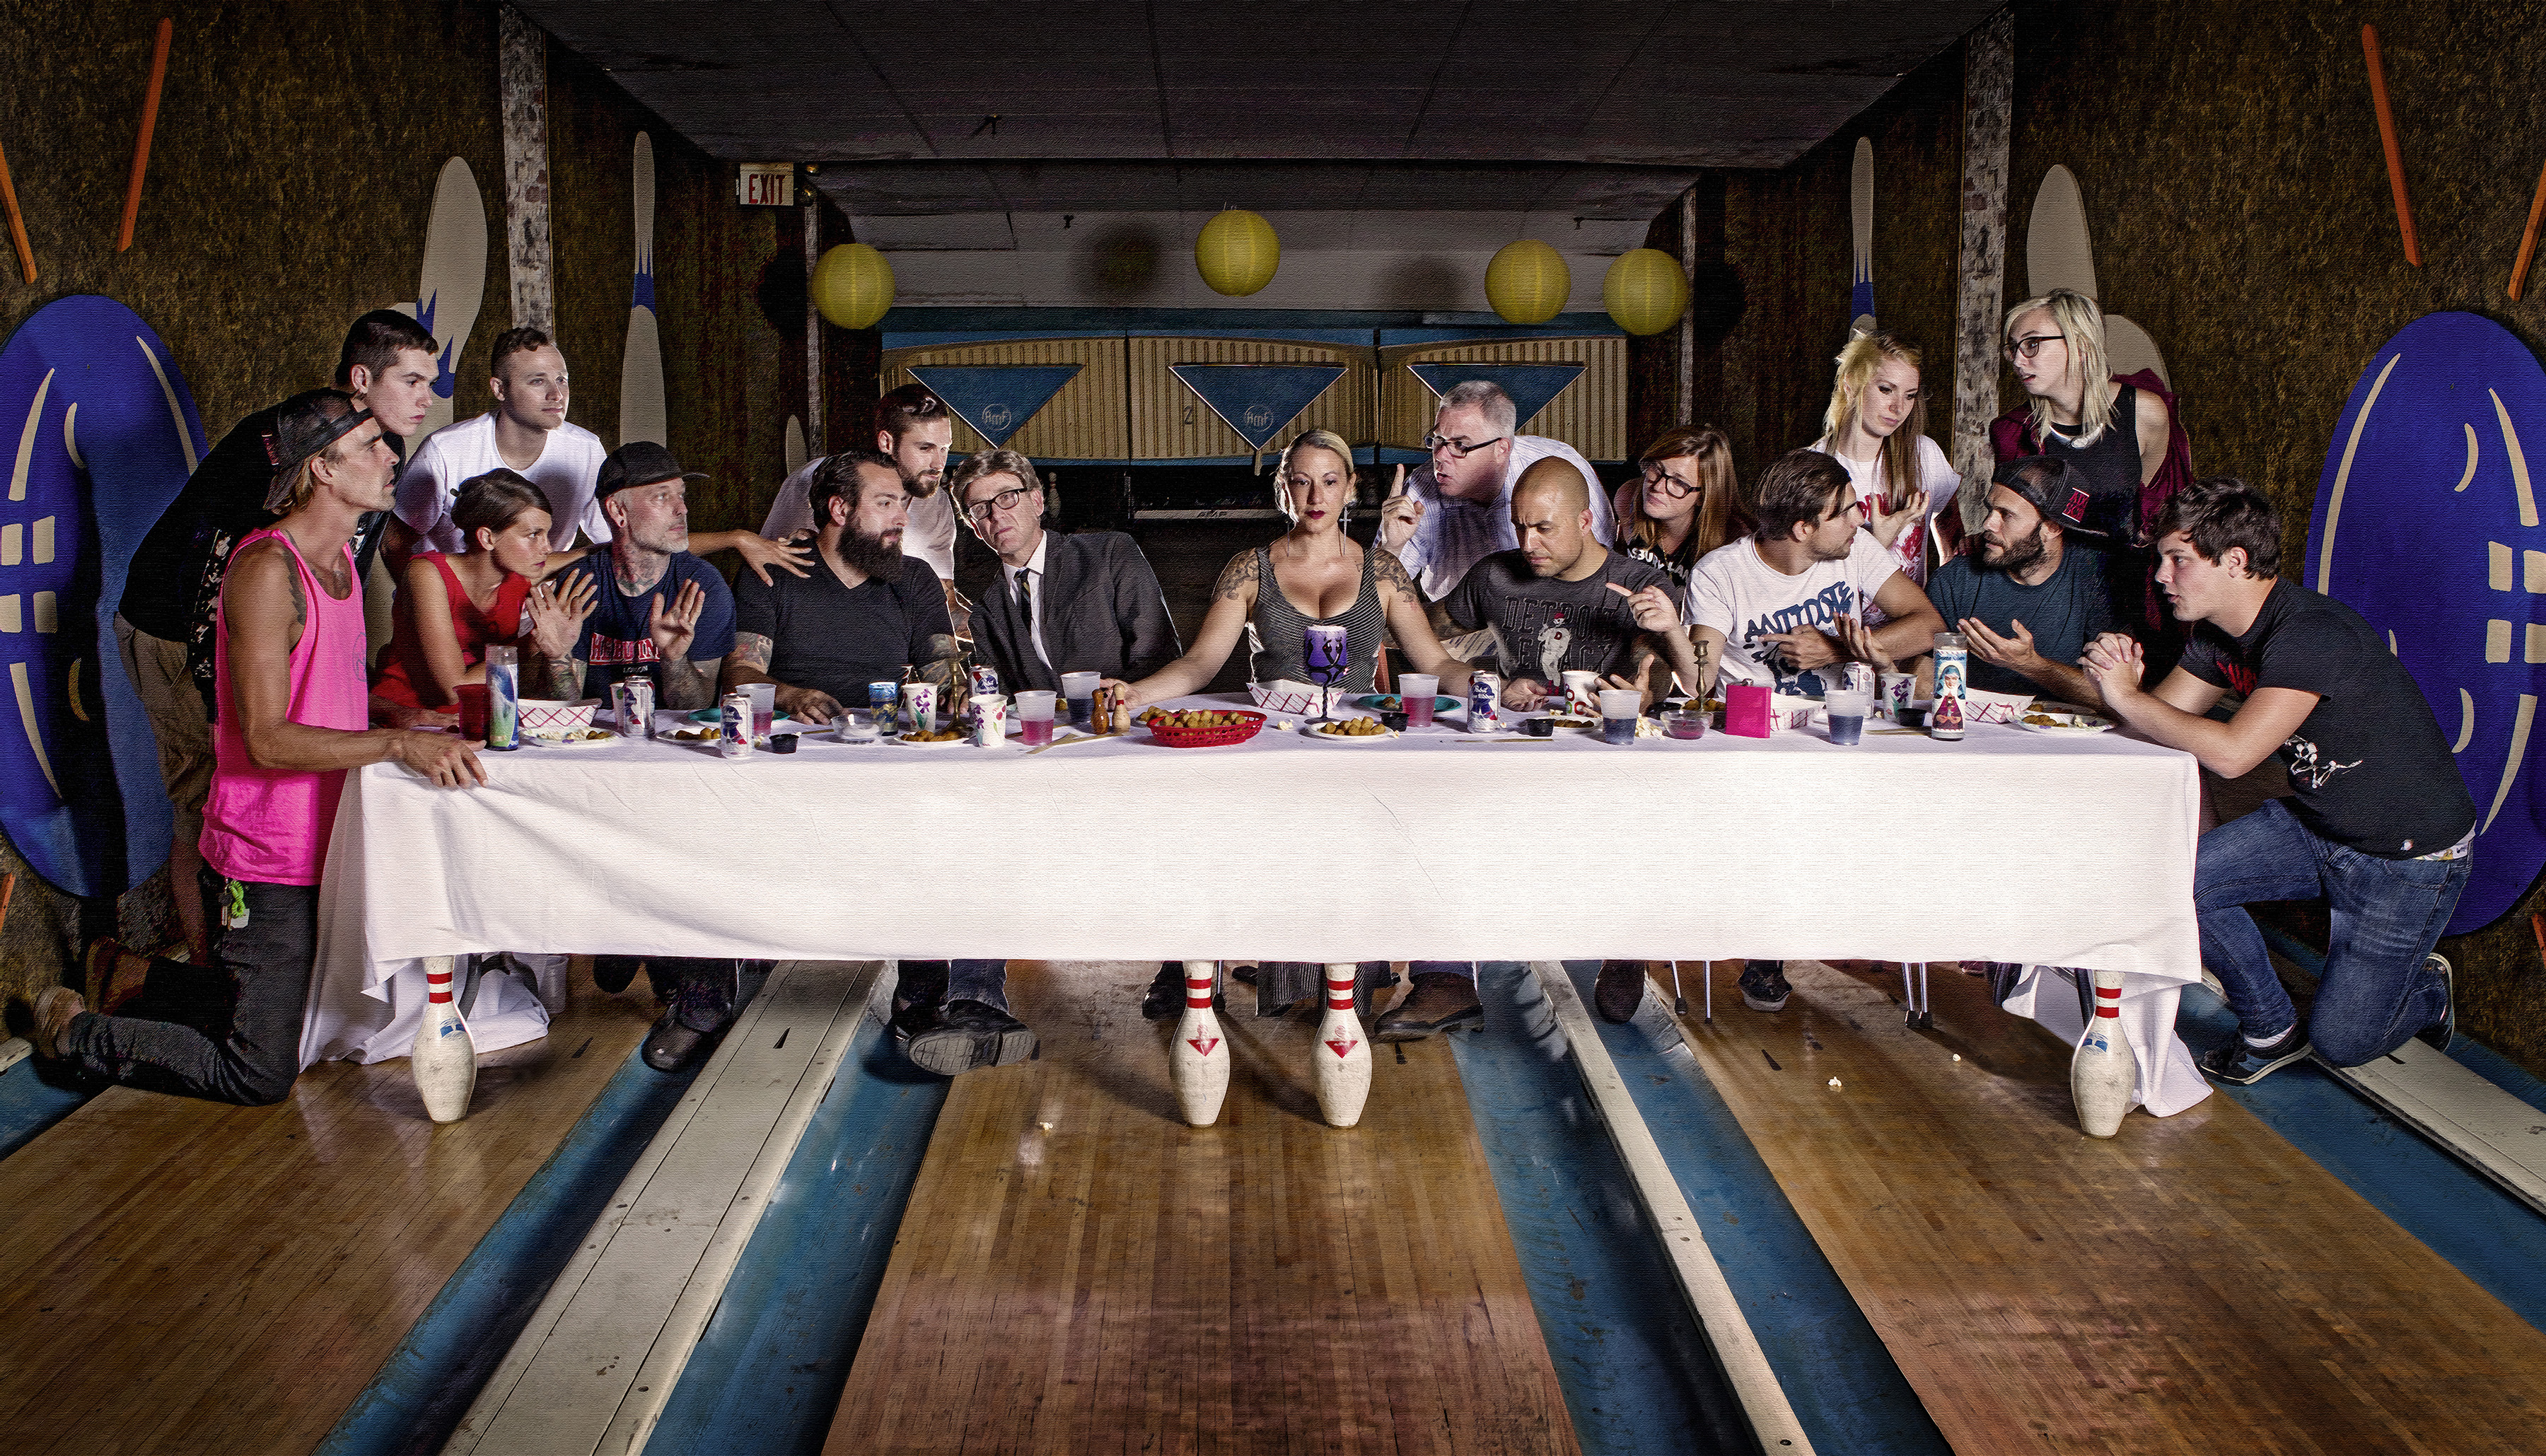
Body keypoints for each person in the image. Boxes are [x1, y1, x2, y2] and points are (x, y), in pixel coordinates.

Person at [26, 391, 484, 1103]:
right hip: (265, 853)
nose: (392, 455)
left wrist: (415, 719)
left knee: (316, 1023)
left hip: (328, 840)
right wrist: (395, 743)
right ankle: (75, 1035)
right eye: (370, 446)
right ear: (321, 469)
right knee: (260, 1071)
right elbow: (267, 739)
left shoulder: (339, 567)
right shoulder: (267, 571)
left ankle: (135, 977)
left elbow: (328, 695)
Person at [2082, 479, 2471, 1084]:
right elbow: (2159, 725)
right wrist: (2119, 679)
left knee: (2342, 1042)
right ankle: (2270, 1028)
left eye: (2177, 559)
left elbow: (2233, 755)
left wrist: (2129, 698)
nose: (2160, 575)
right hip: (2318, 824)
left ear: (2235, 561)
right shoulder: (2217, 634)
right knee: (2175, 884)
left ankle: (2426, 993)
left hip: (2408, 858)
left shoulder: (2310, 632)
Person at [1122, 429, 1480, 1032]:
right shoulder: (1250, 568)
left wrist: (1511, 693)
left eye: (1330, 480)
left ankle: (1382, 971)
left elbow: (1438, 663)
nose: (1316, 494)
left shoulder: (1383, 569)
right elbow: (1200, 664)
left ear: (1350, 490)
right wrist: (1134, 694)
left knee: (1426, 808)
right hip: (1278, 745)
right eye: (1301, 480)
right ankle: (1223, 966)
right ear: (1283, 490)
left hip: (1359, 743)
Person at [113, 310, 438, 965]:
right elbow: (217, 578)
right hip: (176, 629)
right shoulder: (286, 447)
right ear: (360, 379)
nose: (426, 396)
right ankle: (210, 979)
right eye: (411, 380)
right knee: (208, 793)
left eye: (430, 380)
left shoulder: (376, 455)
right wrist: (228, 707)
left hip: (236, 632)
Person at [1399, 455, 1704, 1031]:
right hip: (1514, 757)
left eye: (1544, 527)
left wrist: (1665, 647)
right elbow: (1417, 623)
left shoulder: (1636, 583)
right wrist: (1392, 563)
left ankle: (1626, 939)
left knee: (1647, 804)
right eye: (1519, 525)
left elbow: (1685, 680)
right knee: (1435, 801)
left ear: (1587, 519)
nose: (1528, 541)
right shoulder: (1496, 575)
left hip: (1604, 762)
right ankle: (1445, 981)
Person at [1683, 449, 1947, 1015]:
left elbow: (1928, 624)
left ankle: (1895, 936)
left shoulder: (1856, 551)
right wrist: (1663, 638)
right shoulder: (1722, 572)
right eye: (1847, 511)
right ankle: (1765, 952)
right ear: (1804, 528)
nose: (1862, 520)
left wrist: (1833, 647)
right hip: (1758, 744)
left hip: (1844, 731)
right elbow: (1700, 677)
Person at [542, 442, 751, 1071]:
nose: (682, 510)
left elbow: (696, 708)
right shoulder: (577, 583)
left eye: (682, 495)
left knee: (697, 832)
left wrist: (674, 659)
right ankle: (623, 933)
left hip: (674, 769)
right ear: (619, 512)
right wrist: (554, 655)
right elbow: (564, 713)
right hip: (599, 770)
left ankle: (698, 996)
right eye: (663, 497)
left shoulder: (702, 583)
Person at [390, 327, 798, 581]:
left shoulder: (584, 449)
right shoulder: (446, 450)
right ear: (499, 389)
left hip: (538, 611)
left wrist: (737, 538)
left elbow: (634, 541)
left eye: (562, 380)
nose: (557, 393)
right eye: (538, 381)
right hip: (454, 608)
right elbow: (395, 544)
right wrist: (428, 606)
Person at [1990, 289, 2192, 631]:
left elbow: (2167, 511)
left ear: (2081, 344)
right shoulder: (2014, 433)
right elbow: (2013, 521)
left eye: (2032, 344)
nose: (2017, 360)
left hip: (2128, 595)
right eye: (2014, 348)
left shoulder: (2144, 412)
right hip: (2048, 594)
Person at [371, 470, 595, 719]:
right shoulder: (426, 574)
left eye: (546, 533)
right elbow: (454, 690)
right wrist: (534, 643)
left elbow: (580, 554)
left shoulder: (518, 575)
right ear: (487, 537)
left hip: (486, 716)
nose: (547, 547)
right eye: (533, 535)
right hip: (413, 716)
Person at [1377, 380, 1617, 600]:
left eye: (1460, 445)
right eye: (1438, 440)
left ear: (1501, 449)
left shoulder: (1563, 465)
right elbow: (1379, 596)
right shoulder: (1420, 491)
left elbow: (1600, 561)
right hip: (1458, 629)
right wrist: (1392, 546)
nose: (1439, 456)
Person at [1919, 456, 2118, 706]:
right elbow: (1922, 674)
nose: (1987, 523)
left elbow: (2118, 696)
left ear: (2052, 528)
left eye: (2007, 515)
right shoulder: (1954, 580)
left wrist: (2032, 665)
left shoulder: (2095, 579)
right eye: (1990, 509)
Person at [762, 383, 962, 595]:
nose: (939, 464)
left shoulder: (936, 503)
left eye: (944, 449)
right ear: (887, 443)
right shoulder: (823, 480)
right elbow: (770, 571)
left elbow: (941, 598)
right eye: (925, 448)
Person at [1808, 331, 1960, 602]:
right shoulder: (1811, 467)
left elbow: (1950, 530)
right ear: (1851, 385)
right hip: (1838, 631)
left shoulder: (1924, 453)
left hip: (1910, 630)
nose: (1898, 407)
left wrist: (1944, 600)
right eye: (1886, 389)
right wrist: (1877, 543)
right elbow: (1803, 579)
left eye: (1910, 396)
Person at [1608, 425, 1750, 594]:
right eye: (1656, 469)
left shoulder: (1735, 542)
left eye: (1679, 482)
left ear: (1703, 496)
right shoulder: (1629, 498)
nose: (1658, 486)